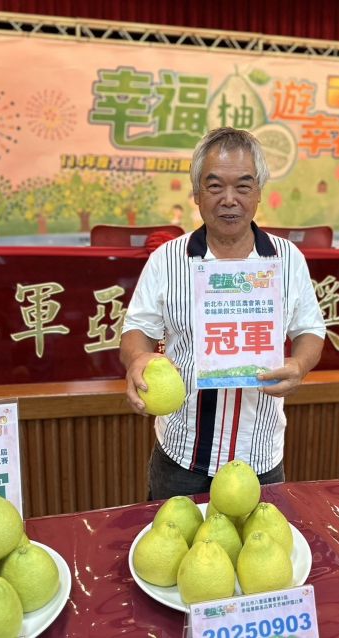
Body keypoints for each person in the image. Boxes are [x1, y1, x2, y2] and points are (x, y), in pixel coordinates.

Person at [120, 127, 326, 500]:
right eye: (215, 186)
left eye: (243, 186)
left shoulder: (287, 259)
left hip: (260, 453)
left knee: (260, 538)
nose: (229, 199)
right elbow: (137, 328)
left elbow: (310, 329)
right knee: (173, 538)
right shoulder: (167, 259)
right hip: (182, 453)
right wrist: (137, 358)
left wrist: (299, 365)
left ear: (259, 192)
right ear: (197, 193)